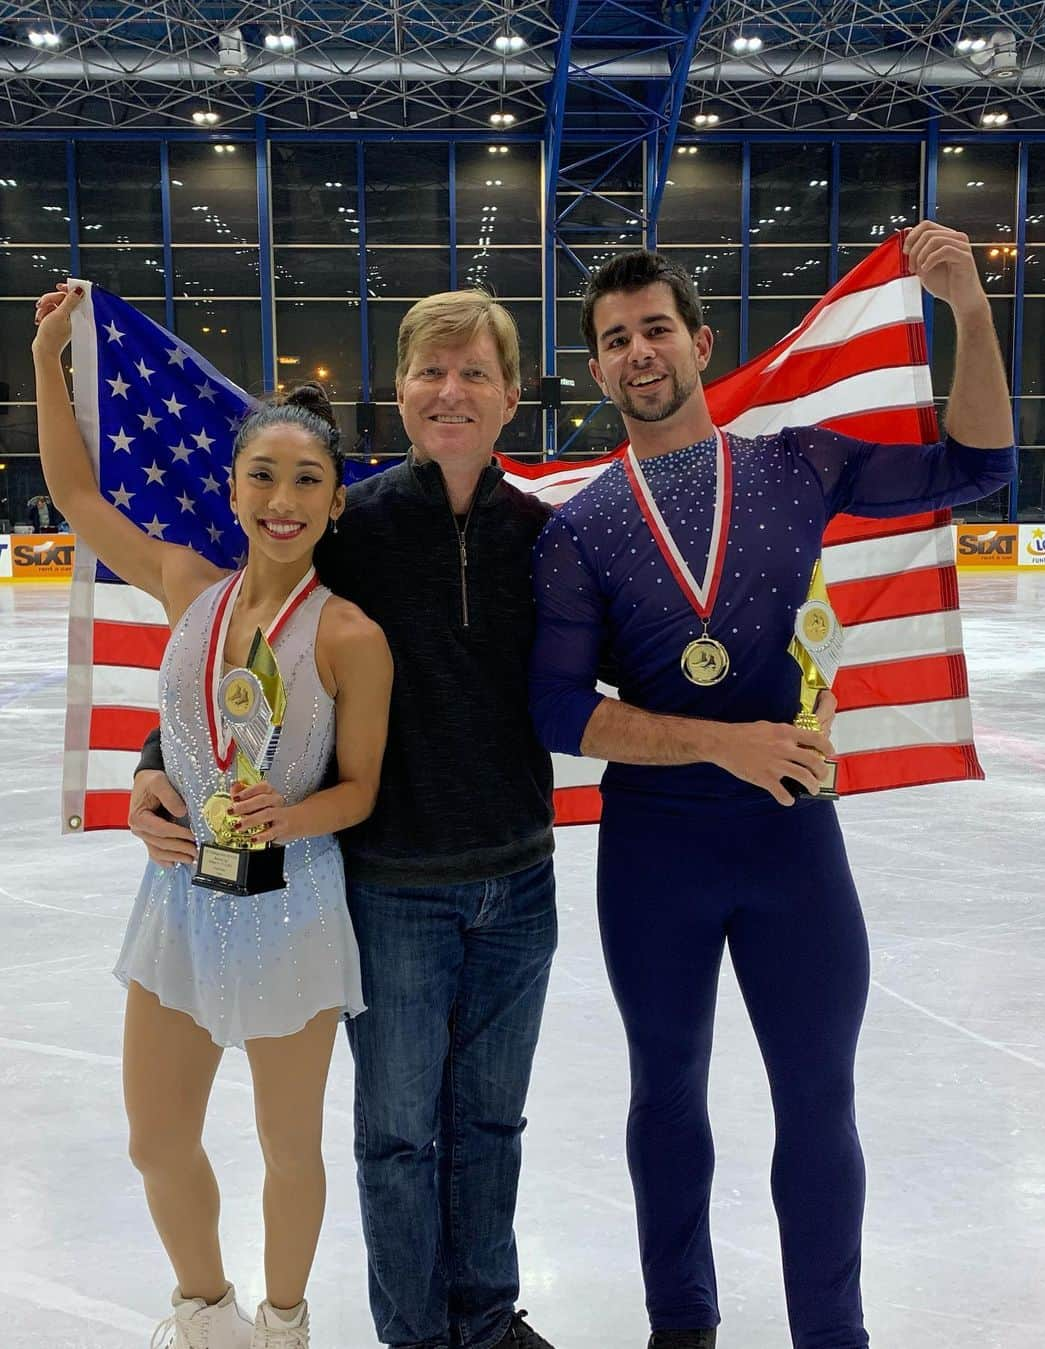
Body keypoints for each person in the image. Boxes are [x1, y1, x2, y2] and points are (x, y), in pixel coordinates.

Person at [528, 221, 1018, 1349]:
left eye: (656, 328)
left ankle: (830, 1336)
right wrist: (719, 743)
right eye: (615, 339)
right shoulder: (584, 529)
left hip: (794, 848)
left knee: (817, 1098)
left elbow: (978, 462)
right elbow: (558, 709)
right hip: (658, 853)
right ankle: (681, 1326)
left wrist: (971, 314)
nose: (639, 350)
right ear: (597, 369)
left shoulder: (802, 463)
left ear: (699, 342)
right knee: (667, 1092)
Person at [129, 290, 559, 1349]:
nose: (451, 390)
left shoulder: (551, 538)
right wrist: (155, 763)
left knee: (492, 1125)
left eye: (474, 372)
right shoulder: (350, 528)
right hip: (395, 883)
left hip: (519, 878)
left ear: (511, 394)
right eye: (430, 370)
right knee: (398, 1137)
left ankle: (488, 1318)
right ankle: (413, 1333)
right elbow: (236, 654)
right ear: (403, 393)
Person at [33, 283, 393, 1349]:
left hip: (292, 903)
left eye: (308, 480)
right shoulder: (186, 580)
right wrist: (49, 353)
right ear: (233, 485)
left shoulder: (350, 634)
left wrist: (287, 813)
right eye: (264, 474)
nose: (282, 497)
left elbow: (362, 787)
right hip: (180, 897)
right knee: (156, 1137)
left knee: (289, 1144)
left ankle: (283, 1321)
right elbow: (75, 496)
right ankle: (206, 1309)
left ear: (336, 502)